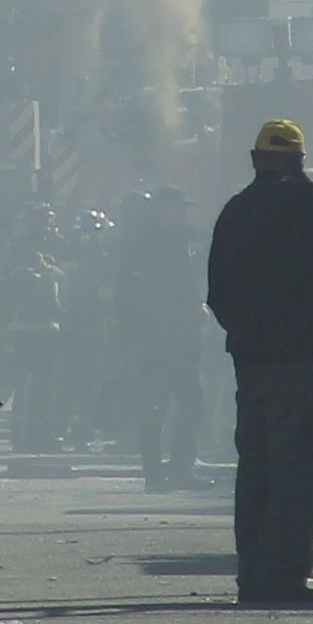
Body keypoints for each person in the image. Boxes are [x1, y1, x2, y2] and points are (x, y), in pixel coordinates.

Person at [207, 120, 313, 605]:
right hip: (302, 358)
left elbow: (216, 292)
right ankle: (282, 578)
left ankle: (252, 577)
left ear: (255, 159)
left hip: (252, 358)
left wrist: (248, 332)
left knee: (256, 464)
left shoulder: (234, 211)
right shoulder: (305, 201)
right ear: (298, 161)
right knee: (300, 465)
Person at [115, 188, 202, 486]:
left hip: (184, 338)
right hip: (154, 340)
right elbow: (127, 297)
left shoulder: (186, 242)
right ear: (160, 210)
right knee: (156, 406)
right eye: (176, 207)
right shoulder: (143, 248)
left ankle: (179, 469)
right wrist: (134, 337)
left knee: (190, 404)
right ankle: (156, 472)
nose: (181, 213)